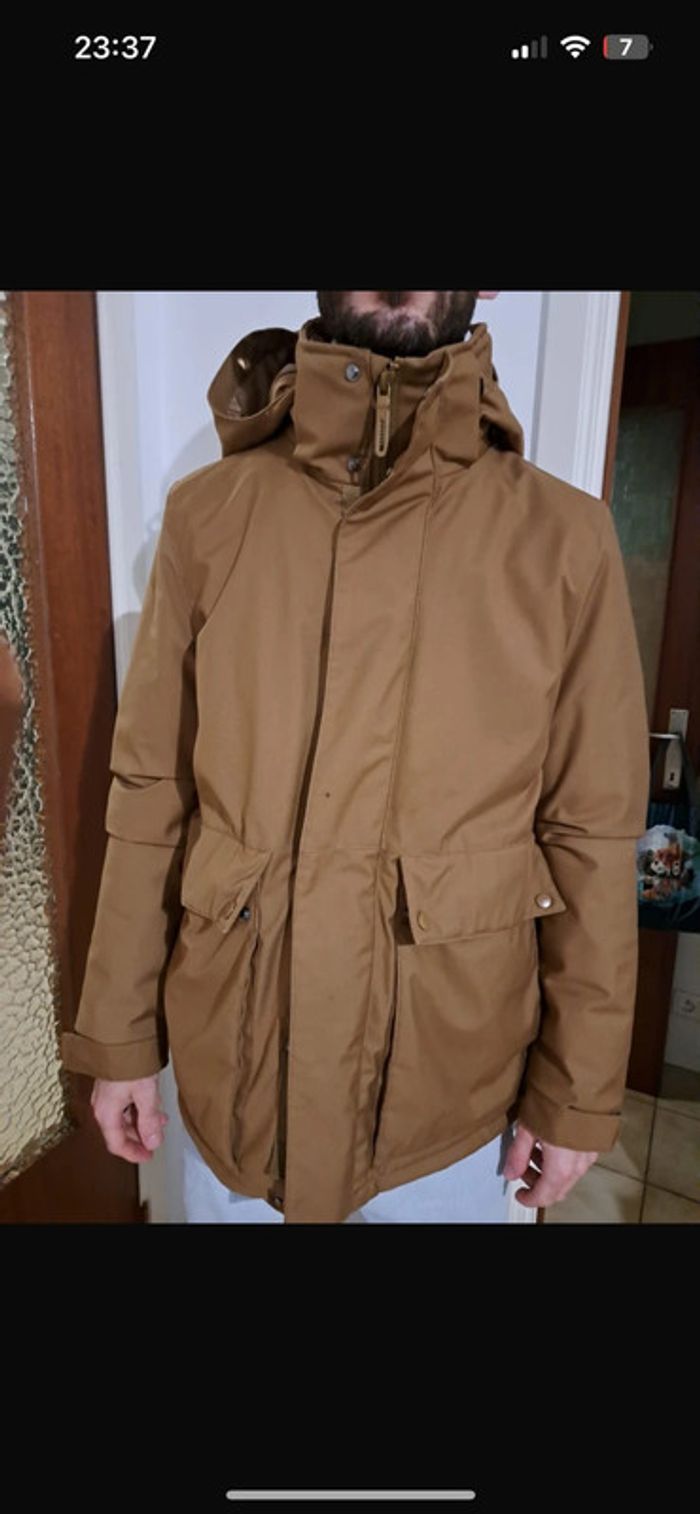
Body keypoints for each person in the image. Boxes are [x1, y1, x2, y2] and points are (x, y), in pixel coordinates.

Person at [60, 292, 650, 1223]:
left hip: (445, 1109)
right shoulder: (209, 515)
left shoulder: (565, 540)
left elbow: (592, 830)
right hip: (235, 1087)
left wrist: (577, 1091)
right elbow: (152, 791)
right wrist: (120, 1036)